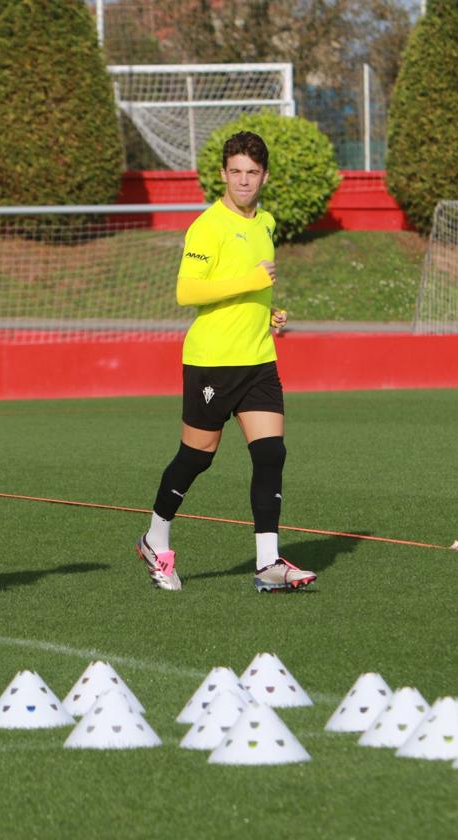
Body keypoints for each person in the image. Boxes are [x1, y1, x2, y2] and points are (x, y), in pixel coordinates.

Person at [135, 131, 315, 594]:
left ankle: (268, 563)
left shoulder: (267, 223)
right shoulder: (207, 226)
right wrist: (249, 282)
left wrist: (268, 309)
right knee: (196, 457)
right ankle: (155, 538)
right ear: (223, 175)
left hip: (258, 359)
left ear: (264, 176)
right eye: (235, 172)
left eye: (251, 173)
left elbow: (254, 286)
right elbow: (187, 291)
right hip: (212, 363)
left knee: (271, 453)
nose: (243, 181)